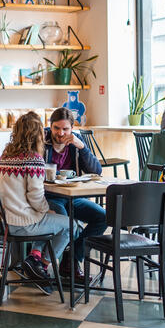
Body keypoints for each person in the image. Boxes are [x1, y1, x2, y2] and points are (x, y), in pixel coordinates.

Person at [0, 111, 69, 294]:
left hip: (2, 223)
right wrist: (45, 212)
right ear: (38, 134)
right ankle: (40, 266)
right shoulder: (33, 160)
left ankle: (34, 259)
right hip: (22, 223)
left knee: (56, 213)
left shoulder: (5, 155)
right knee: (71, 226)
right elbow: (36, 197)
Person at [43, 107, 107, 281]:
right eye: (56, 128)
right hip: (48, 197)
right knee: (66, 224)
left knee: (103, 217)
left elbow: (96, 171)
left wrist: (83, 147)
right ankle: (45, 263)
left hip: (72, 197)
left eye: (65, 129)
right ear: (50, 126)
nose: (61, 133)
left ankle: (71, 259)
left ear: (72, 128)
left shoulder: (76, 143)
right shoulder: (42, 142)